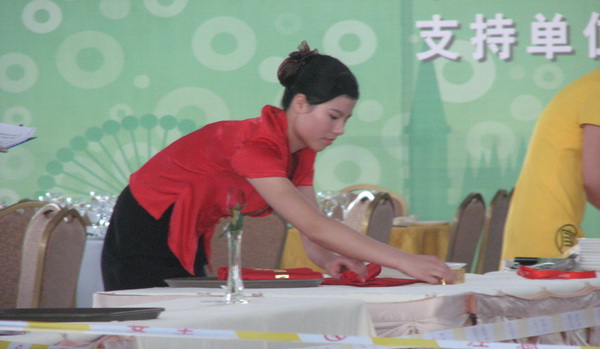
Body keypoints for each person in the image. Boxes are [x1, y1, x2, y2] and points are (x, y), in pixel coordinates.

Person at [101, 41, 456, 290]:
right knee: (152, 328)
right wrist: (404, 260)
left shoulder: (299, 151)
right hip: (146, 221)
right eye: (333, 116)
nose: (340, 130)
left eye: (346, 119)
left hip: (187, 228)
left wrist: (328, 260)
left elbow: (310, 225)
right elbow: (315, 225)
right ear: (300, 103)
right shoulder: (255, 145)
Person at [502, 68, 600, 259]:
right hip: (548, 235)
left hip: (540, 229)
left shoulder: (590, 85)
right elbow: (595, 180)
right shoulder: (596, 91)